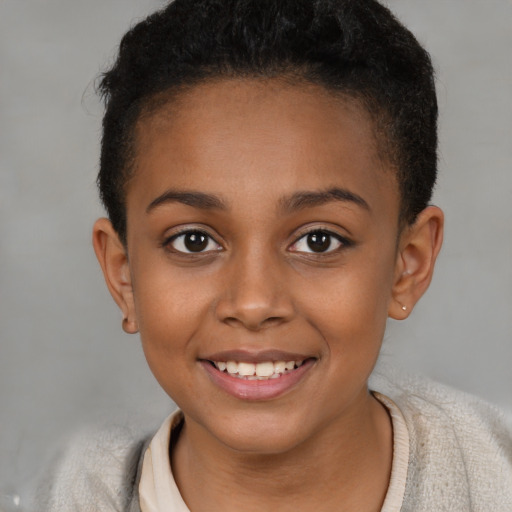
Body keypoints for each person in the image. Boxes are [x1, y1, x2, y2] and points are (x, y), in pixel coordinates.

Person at [37, 0, 512, 510]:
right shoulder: (67, 494)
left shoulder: (491, 475)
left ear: (408, 264)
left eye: (319, 240)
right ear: (123, 274)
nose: (255, 302)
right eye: (193, 241)